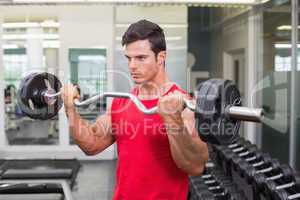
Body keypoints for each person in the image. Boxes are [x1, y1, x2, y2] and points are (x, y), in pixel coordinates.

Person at [61, 19, 209, 200]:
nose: (132, 66)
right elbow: (91, 145)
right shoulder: (122, 103)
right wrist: (70, 110)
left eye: (140, 58)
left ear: (161, 57)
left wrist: (173, 120)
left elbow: (195, 166)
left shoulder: (184, 105)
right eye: (129, 58)